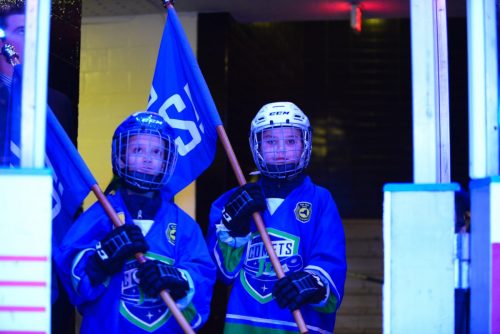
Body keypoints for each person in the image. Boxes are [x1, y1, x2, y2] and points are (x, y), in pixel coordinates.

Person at [55, 111, 216, 333]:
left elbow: (203, 278)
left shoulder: (183, 226)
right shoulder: (101, 215)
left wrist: (178, 280)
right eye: (138, 150)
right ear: (121, 156)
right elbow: (73, 281)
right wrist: (100, 261)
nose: (148, 158)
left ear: (165, 161)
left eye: (157, 151)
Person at [206, 101, 347, 333]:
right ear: (257, 145)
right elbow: (223, 273)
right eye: (271, 141)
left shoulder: (321, 200)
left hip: (300, 324)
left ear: (305, 144)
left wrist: (312, 282)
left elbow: (331, 258)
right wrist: (234, 230)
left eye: (291, 141)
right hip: (245, 325)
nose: (281, 150)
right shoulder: (232, 200)